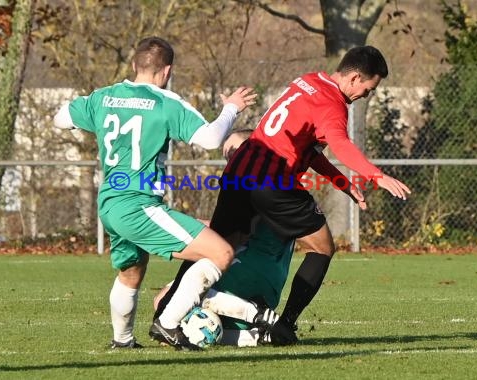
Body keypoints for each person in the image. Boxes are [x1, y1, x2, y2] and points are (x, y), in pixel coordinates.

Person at [53, 36, 258, 350]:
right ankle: (168, 323)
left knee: (132, 272)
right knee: (222, 253)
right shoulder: (166, 103)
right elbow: (210, 139)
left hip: (109, 202)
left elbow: (61, 118)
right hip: (139, 204)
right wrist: (231, 108)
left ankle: (122, 342)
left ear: (135, 65)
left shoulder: (103, 97)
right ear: (167, 71)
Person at [208, 45, 411, 345]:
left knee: (216, 248)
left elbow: (308, 149)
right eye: (367, 90)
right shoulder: (333, 104)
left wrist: (340, 180)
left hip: (240, 173)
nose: (365, 96)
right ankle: (283, 325)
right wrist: (375, 175)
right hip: (272, 180)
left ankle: (172, 311)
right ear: (354, 78)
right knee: (322, 247)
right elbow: (340, 145)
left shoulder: (308, 82)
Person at [154, 129, 367, 347]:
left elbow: (223, 231)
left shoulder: (256, 186)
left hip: (249, 283)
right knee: (174, 310)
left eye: (236, 153)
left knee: (167, 298)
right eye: (228, 155)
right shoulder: (268, 188)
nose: (231, 160)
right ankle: (258, 335)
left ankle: (258, 316)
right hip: (258, 289)